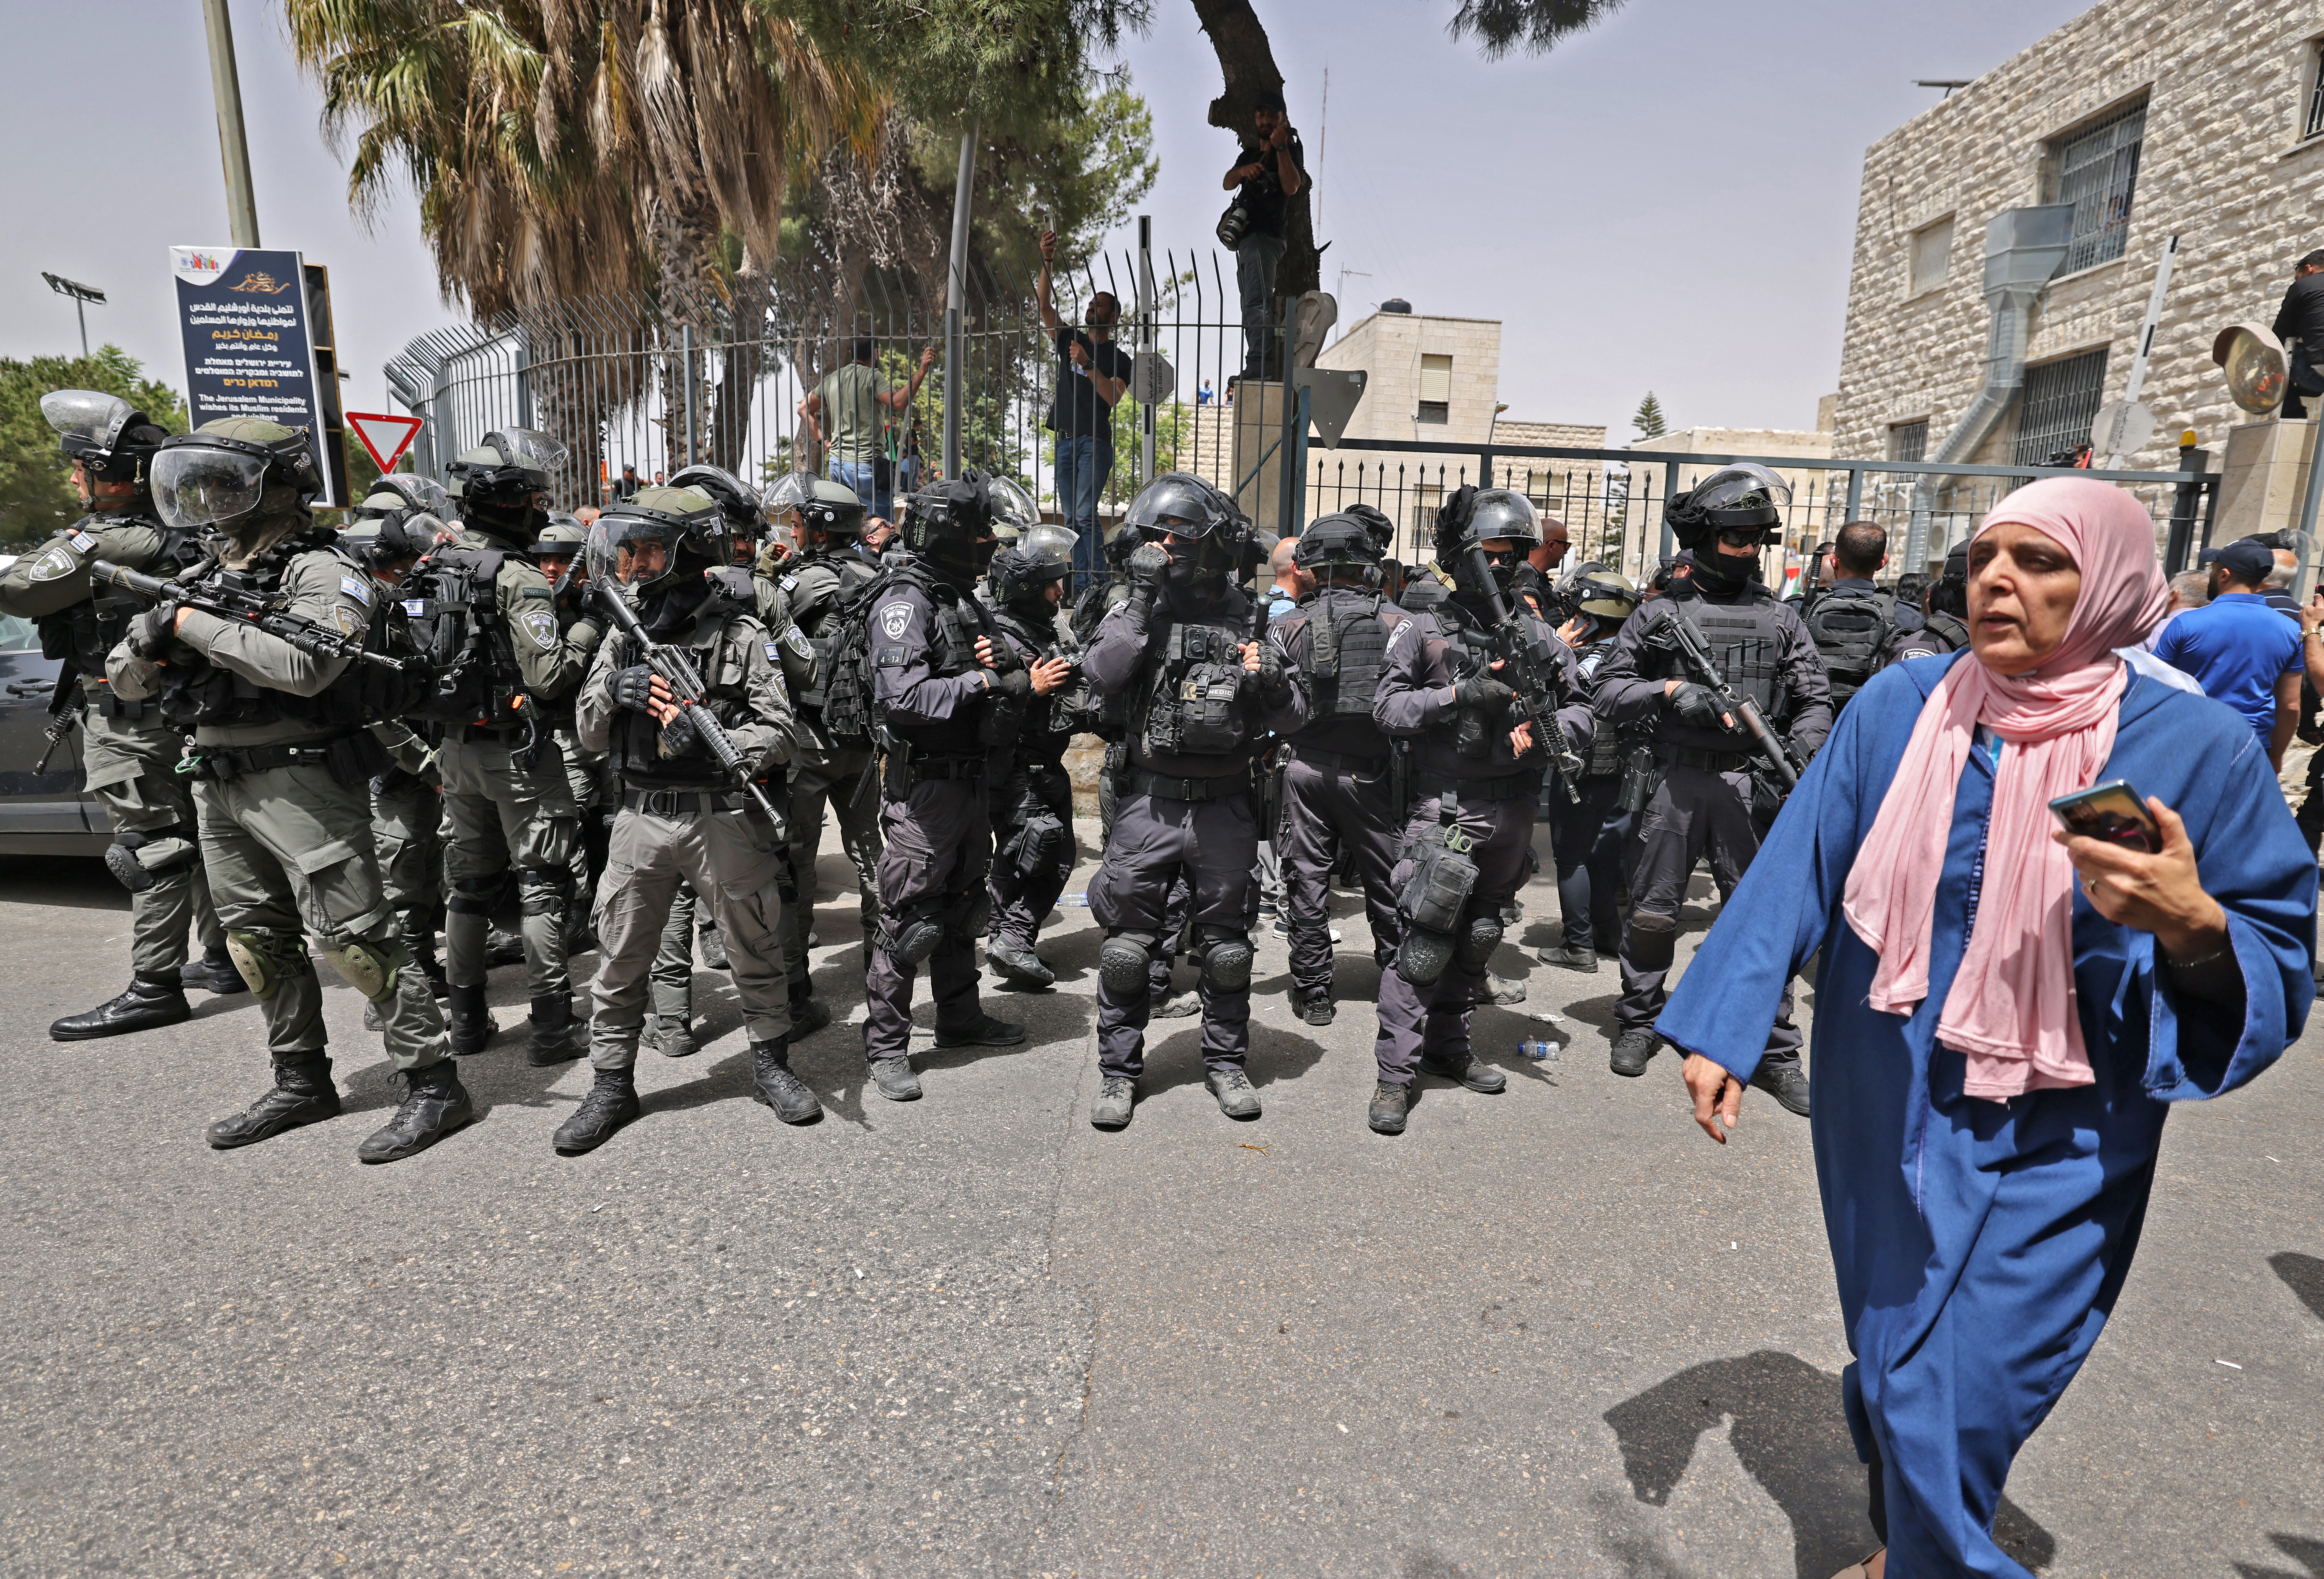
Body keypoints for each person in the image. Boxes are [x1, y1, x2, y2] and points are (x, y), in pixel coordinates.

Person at [1656, 476, 2313, 1579]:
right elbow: (1803, 860)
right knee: (1891, 1343)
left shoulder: (2193, 747)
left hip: (2067, 1111)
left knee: (1963, 1381)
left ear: (2105, 583)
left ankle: (1929, 1559)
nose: (1998, 580)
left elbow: (2274, 947)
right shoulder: (1901, 709)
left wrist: (2194, 929)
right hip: (1883, 1078)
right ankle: (1902, 1543)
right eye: (1984, 557)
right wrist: (1726, 1024)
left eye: (2040, 561)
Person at [108, 418, 470, 1162]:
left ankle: (435, 1085)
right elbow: (125, 678)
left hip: (301, 775)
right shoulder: (200, 574)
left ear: (281, 485)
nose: (209, 496)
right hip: (215, 779)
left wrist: (189, 626)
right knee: (255, 943)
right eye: (201, 481)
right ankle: (301, 1078)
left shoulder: (321, 570)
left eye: (227, 480)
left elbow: (305, 667)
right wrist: (153, 638)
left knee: (358, 941)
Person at [561, 488, 813, 1152]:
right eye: (630, 549)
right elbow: (588, 735)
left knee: (754, 947)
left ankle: (771, 1067)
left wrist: (722, 743)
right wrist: (616, 692)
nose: (635, 562)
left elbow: (781, 730)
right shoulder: (623, 631)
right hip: (640, 816)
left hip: (722, 816)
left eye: (649, 549)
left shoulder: (740, 631)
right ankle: (612, 1085)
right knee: (619, 959)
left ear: (689, 550)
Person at [1591, 463, 1833, 1114]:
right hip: (1675, 780)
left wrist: (1803, 745)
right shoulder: (1659, 615)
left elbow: (1813, 698)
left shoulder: (1782, 618)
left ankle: (1775, 1051)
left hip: (1750, 784)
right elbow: (1607, 690)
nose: (1749, 550)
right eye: (1736, 538)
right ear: (1703, 538)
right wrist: (1671, 691)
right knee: (1653, 912)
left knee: (1762, 924)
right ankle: (1639, 1022)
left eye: (1759, 538)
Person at [2, 390, 242, 1040]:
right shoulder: (190, 533)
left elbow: (18, 587)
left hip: (130, 720)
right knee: (194, 833)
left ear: (111, 475)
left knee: (150, 843)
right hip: (181, 710)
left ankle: (154, 986)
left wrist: (76, 535)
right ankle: (224, 960)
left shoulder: (113, 539)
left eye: (81, 468)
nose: (74, 477)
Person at [1367, 487, 1589, 1135]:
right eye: (1492, 554)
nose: (1503, 567)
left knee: (1480, 939)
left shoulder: (1539, 634)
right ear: (1461, 557)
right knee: (1424, 949)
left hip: (1514, 808)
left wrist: (1547, 730)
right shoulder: (1423, 627)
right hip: (1449, 811)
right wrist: (1459, 693)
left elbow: (1583, 708)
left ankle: (1449, 1048)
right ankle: (1395, 1077)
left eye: (1514, 555)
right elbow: (1387, 711)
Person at [1082, 473, 1300, 1129]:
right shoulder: (1135, 605)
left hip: (1226, 807)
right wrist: (1144, 600)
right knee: (1127, 951)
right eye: (1153, 535)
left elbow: (1293, 719)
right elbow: (1102, 674)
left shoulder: (1252, 613)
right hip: (1149, 805)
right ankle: (1119, 1075)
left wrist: (1267, 684)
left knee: (1229, 950)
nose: (1161, 546)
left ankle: (1226, 1063)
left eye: (1175, 536)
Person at [427, 429, 605, 1064]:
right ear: (505, 501)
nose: (541, 505)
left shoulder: (436, 561)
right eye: (533, 495)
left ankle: (468, 1024)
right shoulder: (519, 576)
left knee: (469, 889)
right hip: (518, 755)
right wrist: (587, 623)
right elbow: (550, 675)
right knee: (543, 885)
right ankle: (554, 1028)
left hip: (454, 752)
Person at [859, 475, 1028, 1099]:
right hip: (925, 790)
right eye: (983, 532)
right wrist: (983, 683)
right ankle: (887, 1048)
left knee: (963, 912)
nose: (990, 544)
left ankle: (959, 1019)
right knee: (909, 922)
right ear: (952, 533)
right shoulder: (906, 601)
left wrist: (1006, 669)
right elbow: (904, 698)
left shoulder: (960, 596)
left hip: (970, 782)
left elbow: (1003, 660)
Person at [1266, 513, 1413, 1024]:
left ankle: (1312, 990)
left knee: (1307, 880)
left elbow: (1273, 705)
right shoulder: (1401, 623)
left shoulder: (1285, 626)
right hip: (1372, 774)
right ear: (1365, 565)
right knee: (1389, 878)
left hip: (1305, 770)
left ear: (1312, 567)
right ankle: (1398, 971)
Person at [771, 477, 886, 973]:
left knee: (796, 861)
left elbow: (765, 618)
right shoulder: (878, 573)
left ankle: (795, 981)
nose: (793, 533)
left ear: (820, 530)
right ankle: (884, 957)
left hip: (811, 740)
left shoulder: (809, 580)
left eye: (798, 525)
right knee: (871, 851)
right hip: (862, 739)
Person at [981, 526, 1085, 989]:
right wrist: (1035, 688)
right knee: (1053, 854)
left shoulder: (1032, 631)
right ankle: (1015, 937)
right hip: (1024, 767)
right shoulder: (1007, 641)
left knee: (1016, 854)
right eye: (1052, 583)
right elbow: (989, 708)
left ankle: (1007, 939)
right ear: (1026, 589)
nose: (1061, 591)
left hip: (1032, 764)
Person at [1538, 568, 1642, 973]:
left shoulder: (1585, 662)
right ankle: (1609, 935)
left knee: (1572, 857)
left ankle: (1579, 946)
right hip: (1625, 769)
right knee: (1602, 856)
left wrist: (1558, 648)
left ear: (1592, 618)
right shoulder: (1637, 650)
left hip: (1584, 770)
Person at [2152, 537, 2302, 766]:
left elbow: (2151, 685)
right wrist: (2277, 755)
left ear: (2224, 575)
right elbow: (2290, 706)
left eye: (2212, 570)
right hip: (2251, 745)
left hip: (2187, 740)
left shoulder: (2185, 624)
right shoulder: (2291, 629)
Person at [1036, 230, 1133, 582]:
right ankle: (1080, 582)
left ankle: (1096, 581)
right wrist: (1048, 261)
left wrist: (1090, 364)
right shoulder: (1069, 338)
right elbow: (1044, 306)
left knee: (1084, 513)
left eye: (1100, 306)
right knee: (1073, 517)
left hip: (1094, 441)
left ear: (1114, 317)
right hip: (1064, 439)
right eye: (1091, 304)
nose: (1092, 308)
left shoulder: (1119, 358)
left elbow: (1113, 397)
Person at [1222, 90, 1306, 380]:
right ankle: (1257, 363)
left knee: (1258, 303)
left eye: (1272, 114)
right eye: (1261, 114)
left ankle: (1259, 366)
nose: (1266, 119)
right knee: (1251, 303)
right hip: (1247, 239)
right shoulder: (1249, 153)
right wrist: (1246, 170)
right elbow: (1227, 182)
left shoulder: (1291, 150)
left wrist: (1281, 148)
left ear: (1283, 119)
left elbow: (1292, 186)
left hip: (1266, 238)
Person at [804, 338, 934, 522]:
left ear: (851, 353)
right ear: (875, 353)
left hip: (836, 464)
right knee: (880, 527)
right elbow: (898, 403)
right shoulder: (872, 376)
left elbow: (804, 409)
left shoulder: (832, 379)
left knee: (847, 524)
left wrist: (823, 442)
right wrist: (922, 371)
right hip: (865, 464)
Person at [1803, 520, 1915, 711]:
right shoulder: (1907, 616)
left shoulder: (1801, 608)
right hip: (1872, 716)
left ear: (1834, 561)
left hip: (1809, 714)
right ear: (1883, 563)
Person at [2271, 248, 2324, 419]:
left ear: (2309, 269)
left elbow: (2280, 333)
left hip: (2317, 373)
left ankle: (2293, 418)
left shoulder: (2303, 286)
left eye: (2298, 277)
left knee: (2273, 373)